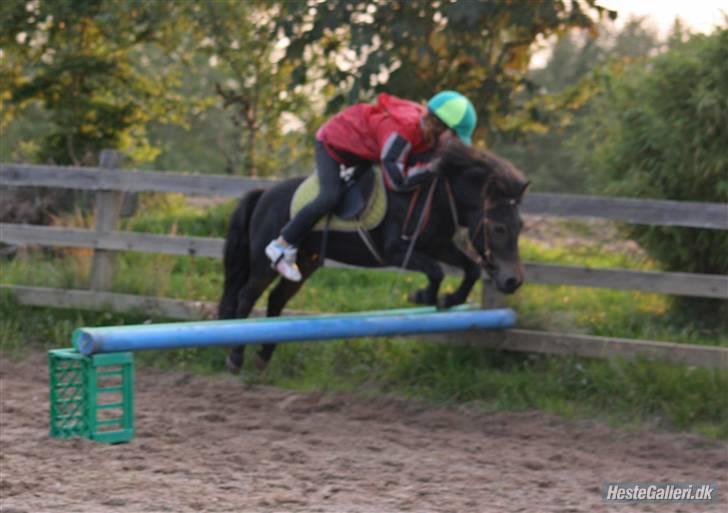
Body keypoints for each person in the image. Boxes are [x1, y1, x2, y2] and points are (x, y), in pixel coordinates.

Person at [265, 90, 477, 281]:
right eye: (456, 136)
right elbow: (397, 180)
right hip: (333, 145)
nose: (456, 144)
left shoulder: (427, 132)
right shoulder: (401, 132)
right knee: (329, 196)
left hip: (364, 149)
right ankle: (282, 244)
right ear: (440, 126)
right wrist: (430, 168)